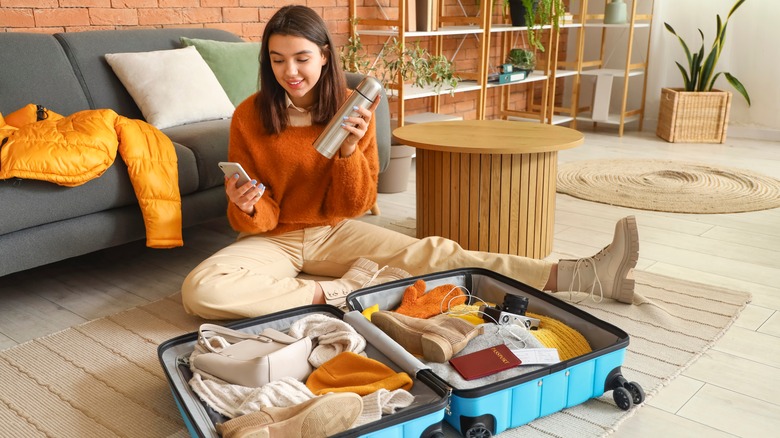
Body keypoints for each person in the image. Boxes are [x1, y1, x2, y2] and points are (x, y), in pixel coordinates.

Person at [181, 5, 640, 321]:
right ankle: (340, 293)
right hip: (276, 240)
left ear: (324, 55)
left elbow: (357, 203)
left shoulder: (351, 108)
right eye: (278, 60)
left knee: (437, 253)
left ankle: (581, 275)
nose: (291, 72)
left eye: (302, 57)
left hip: (336, 230)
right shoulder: (249, 115)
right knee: (202, 290)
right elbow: (259, 220)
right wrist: (246, 203)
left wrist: (346, 153)